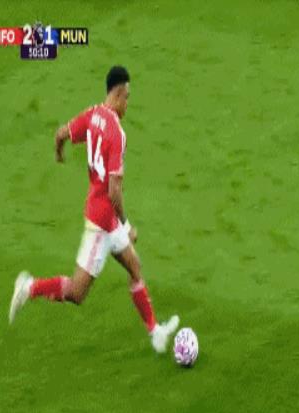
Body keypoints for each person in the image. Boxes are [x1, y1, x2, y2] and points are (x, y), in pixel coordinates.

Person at [9, 66, 179, 353]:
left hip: (105, 216)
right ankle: (29, 287)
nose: (128, 103)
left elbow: (61, 133)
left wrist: (59, 153)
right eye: (127, 97)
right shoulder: (117, 133)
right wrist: (126, 226)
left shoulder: (92, 115)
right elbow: (114, 191)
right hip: (102, 222)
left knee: (135, 267)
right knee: (76, 293)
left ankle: (155, 332)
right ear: (118, 93)